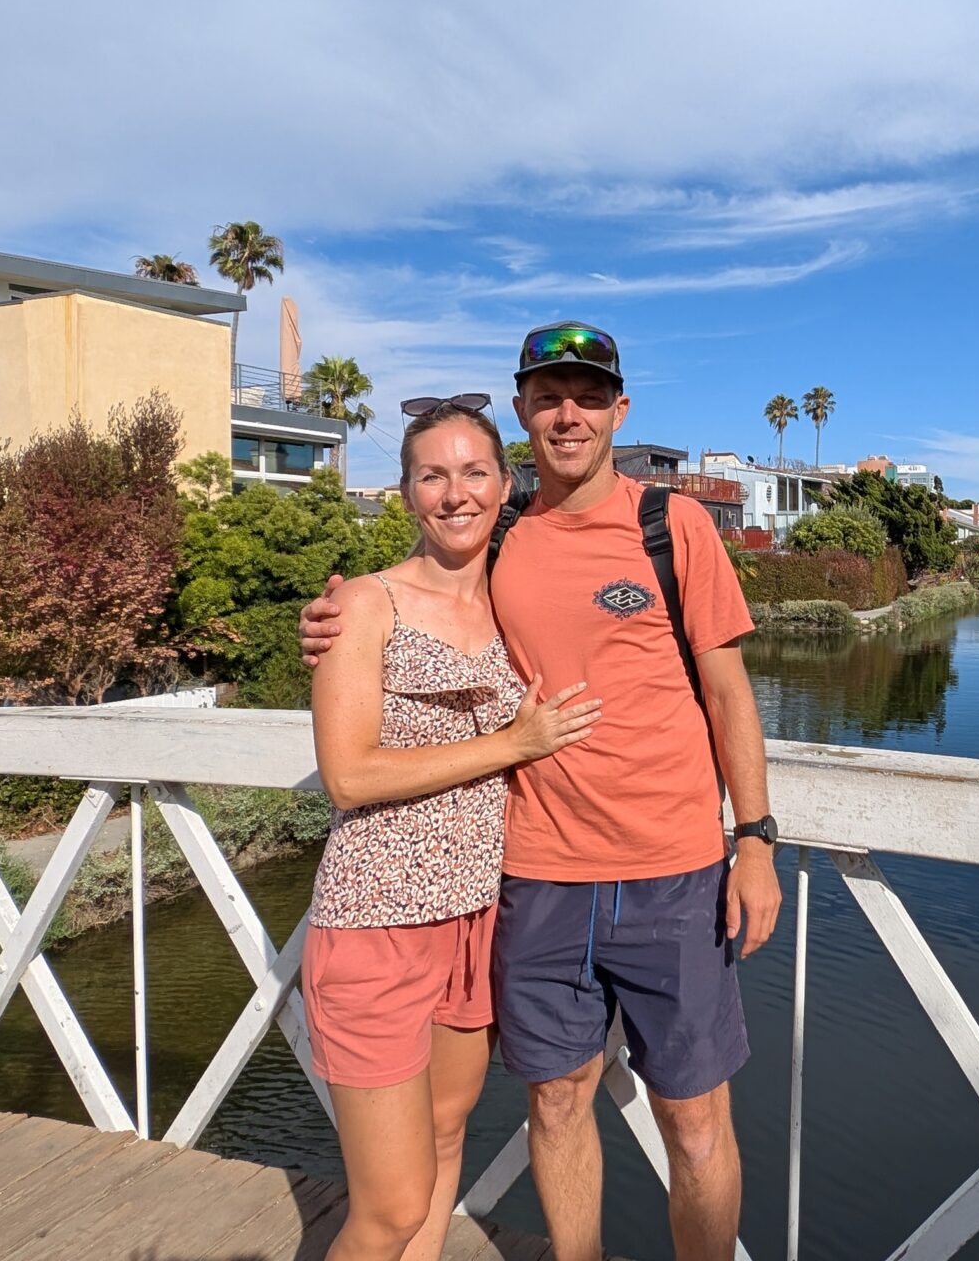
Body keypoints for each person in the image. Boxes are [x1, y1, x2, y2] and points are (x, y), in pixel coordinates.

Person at [302, 322, 781, 1261]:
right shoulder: (505, 531)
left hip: (674, 873)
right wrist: (326, 619)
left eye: (589, 397)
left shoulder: (671, 526)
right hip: (533, 878)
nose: (569, 415)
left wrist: (755, 840)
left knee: (693, 1121)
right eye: (549, 397)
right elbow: (403, 597)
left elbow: (729, 693)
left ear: (620, 410)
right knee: (556, 1103)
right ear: (522, 410)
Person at [305, 397, 604, 1261]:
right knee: (390, 1207)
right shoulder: (366, 604)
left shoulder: (516, 603)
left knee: (444, 1142)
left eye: (474, 472)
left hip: (476, 918)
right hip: (375, 921)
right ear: (405, 494)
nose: (455, 493)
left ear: (503, 485)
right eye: (432, 475)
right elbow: (349, 773)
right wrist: (510, 743)